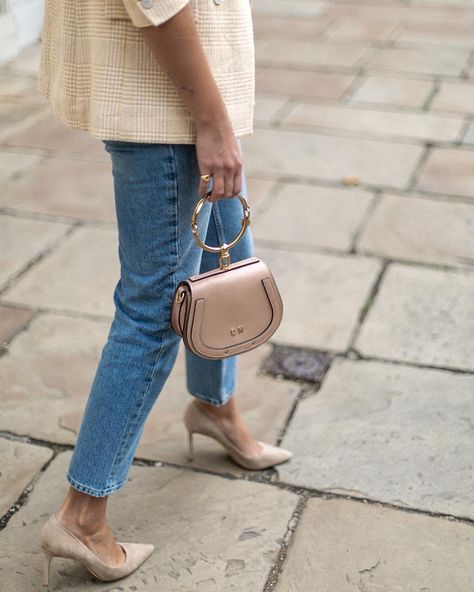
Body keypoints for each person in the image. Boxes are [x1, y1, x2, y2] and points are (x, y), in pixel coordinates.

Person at [37, 0, 293, 586]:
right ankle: (83, 514)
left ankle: (213, 407)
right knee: (155, 309)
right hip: (168, 102)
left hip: (189, 91)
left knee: (226, 258)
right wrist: (210, 121)